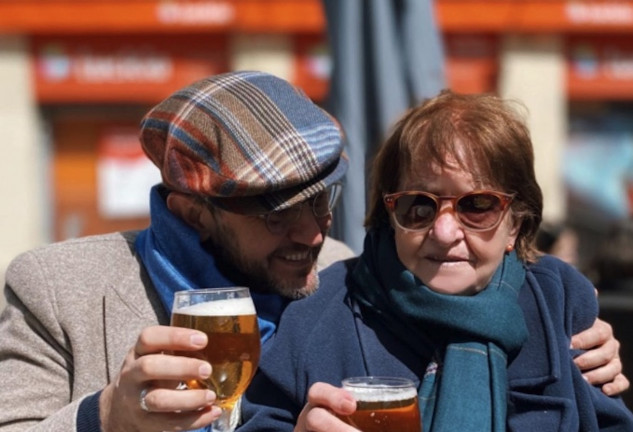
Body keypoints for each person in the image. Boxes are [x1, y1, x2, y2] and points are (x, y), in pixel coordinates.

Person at [0, 73, 624, 432]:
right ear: (194, 212)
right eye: (279, 215)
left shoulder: (343, 273)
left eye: (323, 202)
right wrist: (104, 417)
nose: (312, 232)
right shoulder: (57, 288)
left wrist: (590, 348)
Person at [240, 90, 633, 431]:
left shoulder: (558, 303)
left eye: (477, 206)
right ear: (389, 216)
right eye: (418, 207)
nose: (445, 232)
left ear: (516, 224)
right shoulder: (318, 314)